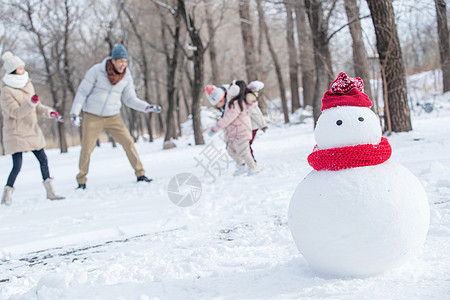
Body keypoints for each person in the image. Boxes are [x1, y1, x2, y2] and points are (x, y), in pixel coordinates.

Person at [70, 45, 161, 189]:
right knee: (87, 148)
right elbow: (82, 92)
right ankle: (81, 181)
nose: (123, 65)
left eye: (126, 62)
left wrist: (146, 107)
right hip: (92, 115)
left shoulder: (126, 76)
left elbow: (130, 99)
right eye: (121, 61)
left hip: (113, 116)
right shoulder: (97, 71)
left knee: (128, 142)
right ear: (113, 61)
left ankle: (140, 174)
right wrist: (75, 113)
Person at [1, 51, 65, 206]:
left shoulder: (28, 84)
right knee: (17, 165)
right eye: (20, 68)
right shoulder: (6, 91)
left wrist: (50, 112)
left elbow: (37, 106)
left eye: (23, 67)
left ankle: (50, 191)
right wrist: (30, 103)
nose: (23, 70)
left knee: (43, 159)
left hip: (31, 129)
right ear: (12, 71)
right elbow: (15, 113)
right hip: (16, 132)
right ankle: (7, 194)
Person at [207, 80, 259, 176]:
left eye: (219, 102)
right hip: (234, 133)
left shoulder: (236, 104)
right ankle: (241, 165)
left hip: (241, 132)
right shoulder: (228, 104)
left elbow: (228, 118)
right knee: (230, 150)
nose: (218, 105)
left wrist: (217, 127)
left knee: (244, 152)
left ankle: (253, 168)